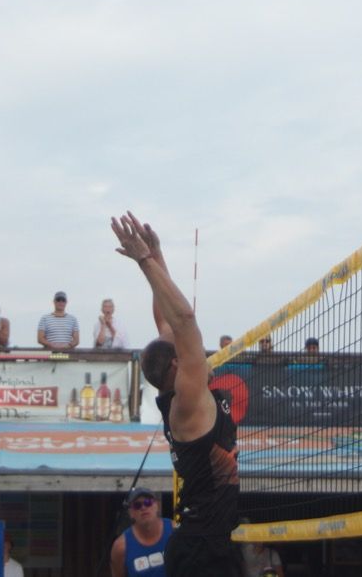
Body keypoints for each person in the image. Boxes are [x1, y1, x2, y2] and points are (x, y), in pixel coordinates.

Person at [111, 211, 241, 576]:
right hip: (203, 549)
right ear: (175, 366)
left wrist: (157, 258)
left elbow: (168, 320)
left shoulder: (180, 390)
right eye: (185, 353)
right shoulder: (188, 400)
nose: (197, 354)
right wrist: (144, 260)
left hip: (205, 542)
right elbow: (184, 321)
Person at [110, 487, 174, 577]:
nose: (143, 507)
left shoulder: (175, 530)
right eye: (137, 505)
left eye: (148, 502)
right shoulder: (121, 547)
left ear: (157, 506)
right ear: (130, 513)